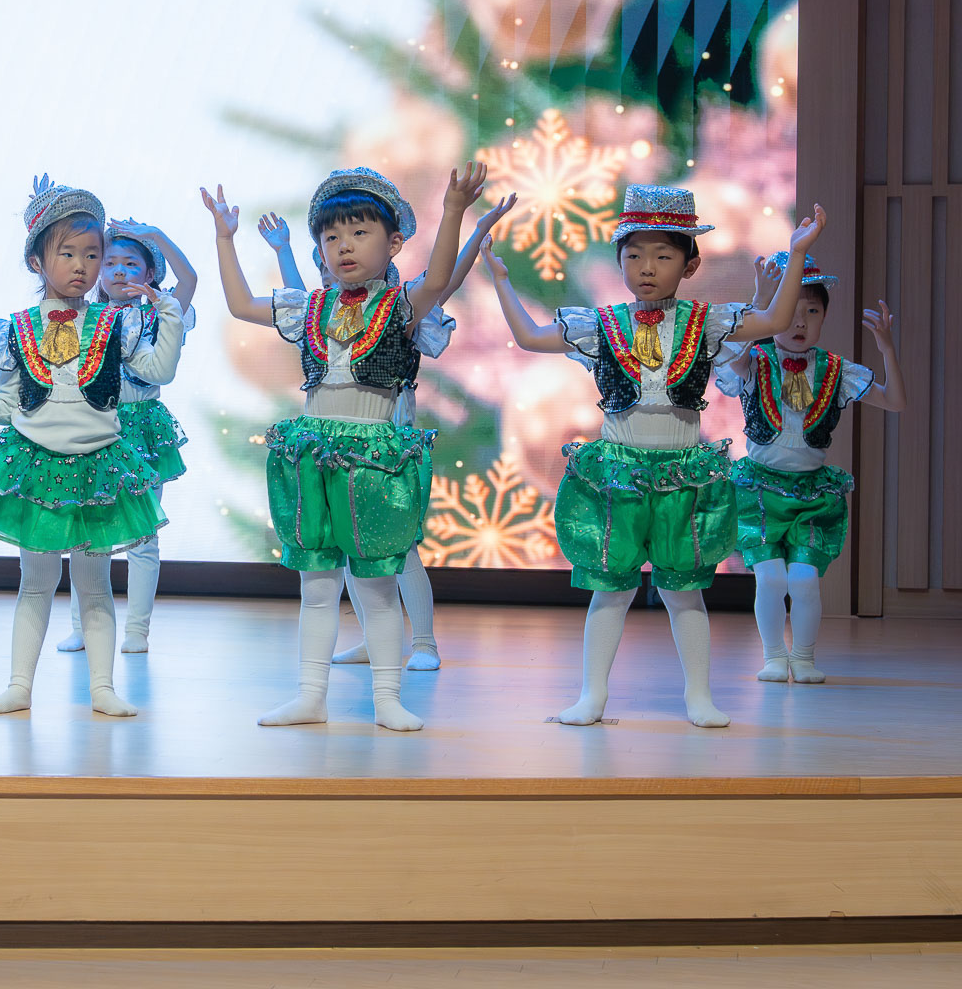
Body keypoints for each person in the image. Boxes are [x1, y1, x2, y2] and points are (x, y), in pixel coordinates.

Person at [481, 184, 825, 727]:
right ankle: (592, 697)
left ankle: (699, 697)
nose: (647, 267)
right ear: (619, 260)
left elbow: (776, 322)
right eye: (634, 254)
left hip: (682, 474)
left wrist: (798, 253)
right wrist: (501, 281)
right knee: (610, 592)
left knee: (684, 592)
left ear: (690, 265)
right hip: (619, 474)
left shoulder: (707, 322)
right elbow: (529, 337)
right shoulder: (601, 324)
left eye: (663, 255)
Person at [202, 163, 485, 730]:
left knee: (376, 588)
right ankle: (311, 696)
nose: (344, 246)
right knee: (317, 585)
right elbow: (240, 305)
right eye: (331, 237)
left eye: (359, 232)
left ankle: (387, 699)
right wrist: (225, 238)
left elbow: (439, 278)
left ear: (393, 242)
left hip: (374, 458)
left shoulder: (401, 304)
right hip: (313, 452)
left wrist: (455, 209)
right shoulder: (310, 308)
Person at [0, 175, 184, 717]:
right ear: (37, 261)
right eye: (67, 253)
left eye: (92, 254)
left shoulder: (116, 324)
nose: (82, 266)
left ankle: (102, 689)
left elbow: (159, 371)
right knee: (35, 584)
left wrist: (170, 314)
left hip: (98, 468)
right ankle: (19, 686)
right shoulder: (15, 329)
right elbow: (7, 406)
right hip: (35, 467)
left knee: (95, 585)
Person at [715, 251, 905, 683]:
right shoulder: (756, 360)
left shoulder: (837, 370)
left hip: (811, 495)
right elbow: (730, 360)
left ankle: (803, 658)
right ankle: (773, 657)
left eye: (812, 311)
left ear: (825, 316)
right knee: (771, 580)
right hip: (760, 493)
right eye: (790, 311)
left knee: (803, 581)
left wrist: (887, 350)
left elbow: (896, 402)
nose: (799, 322)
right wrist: (759, 304)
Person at [52, 217, 196, 655]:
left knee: (143, 537)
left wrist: (156, 236)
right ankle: (81, 626)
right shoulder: (83, 314)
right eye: (110, 262)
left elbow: (190, 279)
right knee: (85, 531)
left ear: (149, 272)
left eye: (131, 263)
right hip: (94, 424)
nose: (118, 270)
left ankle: (137, 630)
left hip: (142, 427)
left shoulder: (160, 313)